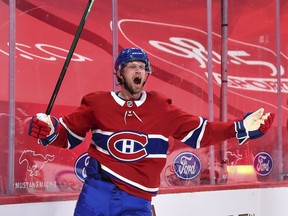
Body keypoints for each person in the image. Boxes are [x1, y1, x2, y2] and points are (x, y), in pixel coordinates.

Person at [28, 47, 274, 216]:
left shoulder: (161, 108)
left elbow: (202, 132)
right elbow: (68, 135)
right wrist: (48, 128)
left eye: (142, 68)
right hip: (97, 191)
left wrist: (240, 128)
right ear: (118, 73)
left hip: (137, 199)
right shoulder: (98, 103)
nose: (138, 71)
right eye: (131, 66)